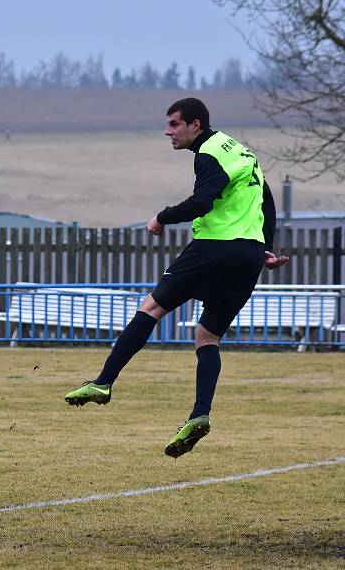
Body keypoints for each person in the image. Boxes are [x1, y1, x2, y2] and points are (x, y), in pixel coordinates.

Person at [64, 97, 289, 457]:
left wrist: (162, 216)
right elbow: (265, 198)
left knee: (151, 308)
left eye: (174, 124)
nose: (168, 132)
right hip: (247, 256)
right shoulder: (239, 150)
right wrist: (265, 246)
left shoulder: (209, 154)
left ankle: (103, 383)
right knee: (208, 337)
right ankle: (199, 415)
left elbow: (203, 202)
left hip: (215, 247)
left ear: (195, 125)